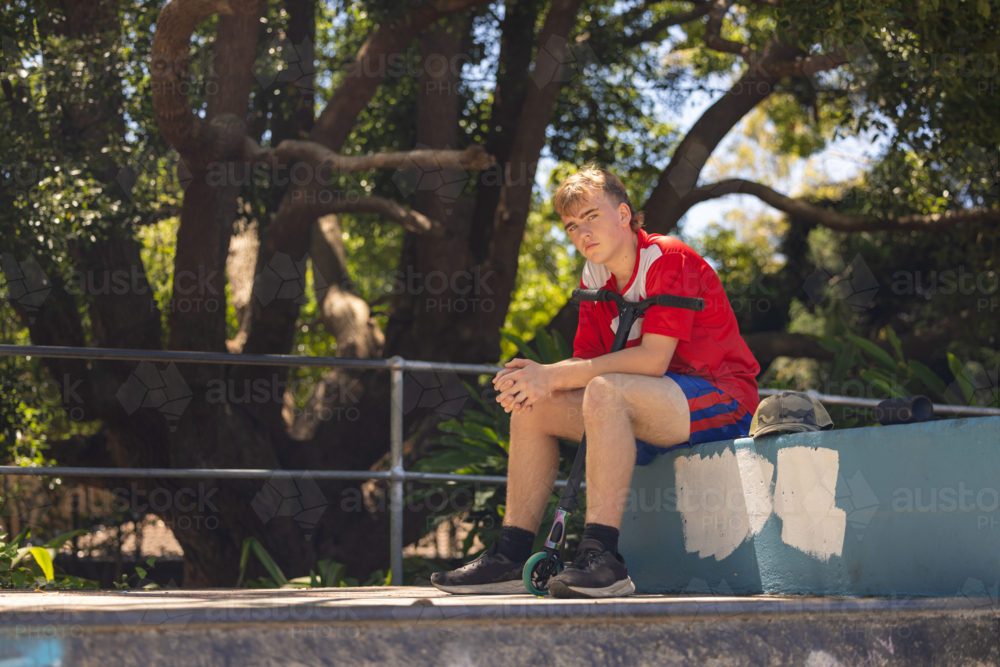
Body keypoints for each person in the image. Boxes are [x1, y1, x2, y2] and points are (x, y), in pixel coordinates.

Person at [431, 164, 760, 598]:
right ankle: (510, 557)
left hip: (719, 400)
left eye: (592, 216)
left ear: (624, 215)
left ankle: (603, 558)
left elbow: (653, 360)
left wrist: (553, 375)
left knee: (605, 390)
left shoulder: (669, 258)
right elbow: (587, 363)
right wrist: (533, 381)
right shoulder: (595, 277)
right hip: (644, 407)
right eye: (571, 226)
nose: (582, 232)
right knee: (535, 407)